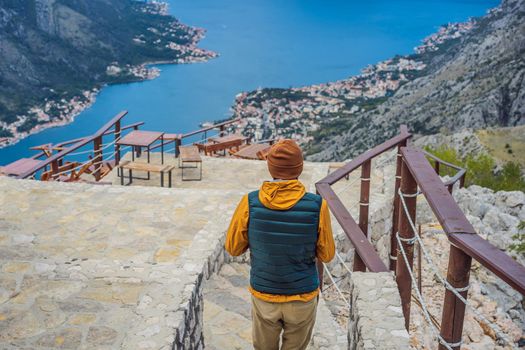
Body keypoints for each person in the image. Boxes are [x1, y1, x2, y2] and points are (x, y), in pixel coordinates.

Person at [225, 139, 335, 350]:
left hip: (265, 294)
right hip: (302, 297)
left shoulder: (250, 202)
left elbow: (233, 247)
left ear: (270, 168)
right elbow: (327, 254)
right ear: (299, 169)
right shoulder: (317, 205)